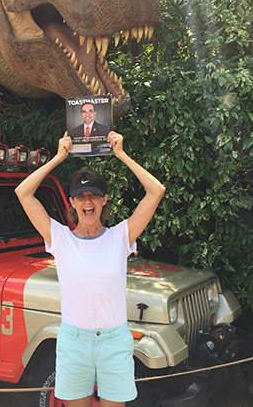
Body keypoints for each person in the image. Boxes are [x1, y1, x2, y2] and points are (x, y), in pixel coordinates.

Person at [15, 131, 165, 407]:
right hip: (74, 341)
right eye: (81, 196)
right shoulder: (59, 238)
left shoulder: (121, 236)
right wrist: (59, 157)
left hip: (114, 341)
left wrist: (121, 154)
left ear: (104, 200)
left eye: (94, 196)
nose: (87, 202)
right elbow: (23, 193)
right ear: (72, 202)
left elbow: (156, 191)